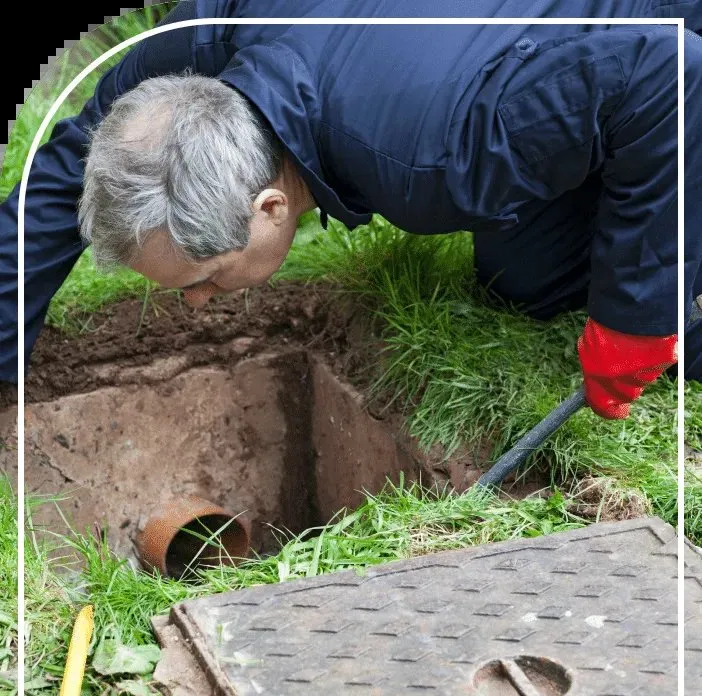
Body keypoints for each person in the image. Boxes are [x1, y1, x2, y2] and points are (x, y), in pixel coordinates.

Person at [1, 1, 700, 420]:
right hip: (519, 43)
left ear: (269, 208)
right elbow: (68, 170)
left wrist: (636, 315)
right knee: (525, 277)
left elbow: (672, 72)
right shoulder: (201, 42)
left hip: (665, 46)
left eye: (205, 278)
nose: (199, 302)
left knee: (658, 316)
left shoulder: (435, 161)